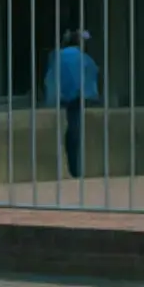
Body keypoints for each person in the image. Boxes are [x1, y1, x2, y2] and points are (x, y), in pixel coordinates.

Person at [45, 30, 99, 178]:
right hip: (76, 98)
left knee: (71, 131)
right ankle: (75, 169)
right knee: (75, 130)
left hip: (61, 98)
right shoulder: (83, 58)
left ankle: (73, 168)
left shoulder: (57, 56)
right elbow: (91, 75)